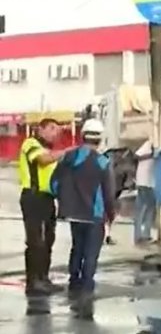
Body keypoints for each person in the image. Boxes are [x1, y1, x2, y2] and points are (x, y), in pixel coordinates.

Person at [50, 119, 117, 320]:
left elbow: (54, 183)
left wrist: (64, 201)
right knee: (91, 253)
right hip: (94, 215)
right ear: (100, 138)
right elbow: (109, 193)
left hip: (73, 214)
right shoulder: (102, 161)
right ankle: (87, 287)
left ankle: (74, 281)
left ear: (83, 135)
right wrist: (111, 215)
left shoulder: (69, 156)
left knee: (77, 247)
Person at [18, 118, 69, 296]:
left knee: (48, 239)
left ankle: (43, 278)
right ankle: (33, 282)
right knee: (35, 241)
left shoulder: (49, 149)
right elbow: (42, 160)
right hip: (33, 197)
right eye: (52, 128)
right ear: (41, 129)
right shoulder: (31, 144)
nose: (55, 133)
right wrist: (66, 152)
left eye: (58, 130)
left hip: (47, 198)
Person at [132, 139, 156, 245]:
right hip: (144, 182)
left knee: (149, 207)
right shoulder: (149, 144)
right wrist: (151, 155)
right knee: (143, 208)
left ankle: (144, 234)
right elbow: (136, 156)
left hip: (149, 182)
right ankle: (140, 236)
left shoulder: (155, 145)